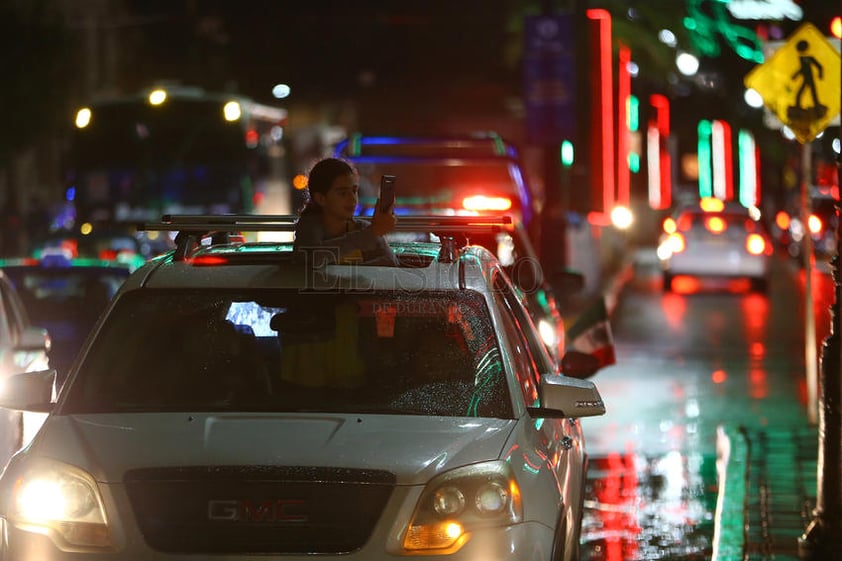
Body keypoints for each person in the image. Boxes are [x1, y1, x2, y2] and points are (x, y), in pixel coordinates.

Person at [293, 157, 399, 266]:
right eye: (343, 193)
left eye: (354, 191)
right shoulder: (308, 228)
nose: (352, 199)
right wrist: (370, 234)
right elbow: (311, 259)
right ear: (321, 199)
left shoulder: (362, 228)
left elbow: (391, 263)